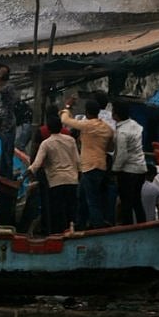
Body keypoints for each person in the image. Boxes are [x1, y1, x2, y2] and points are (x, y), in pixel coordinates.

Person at [60, 96, 114, 230]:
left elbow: (65, 120)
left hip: (89, 167)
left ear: (87, 112)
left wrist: (67, 107)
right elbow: (111, 148)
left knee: (91, 199)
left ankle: (97, 227)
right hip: (101, 165)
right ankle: (80, 224)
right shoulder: (107, 128)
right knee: (82, 197)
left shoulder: (87, 125)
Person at [25, 114, 80, 234]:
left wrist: (29, 172)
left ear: (48, 129)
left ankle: (57, 236)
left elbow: (37, 163)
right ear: (61, 127)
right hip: (72, 180)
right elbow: (77, 160)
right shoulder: (70, 140)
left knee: (56, 212)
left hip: (56, 182)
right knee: (70, 211)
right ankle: (71, 232)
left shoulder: (46, 143)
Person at [111, 101, 147, 224]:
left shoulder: (122, 132)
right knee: (137, 201)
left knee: (126, 203)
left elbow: (122, 155)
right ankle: (143, 225)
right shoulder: (135, 125)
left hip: (128, 171)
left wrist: (115, 170)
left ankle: (129, 227)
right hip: (141, 168)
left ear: (116, 115)